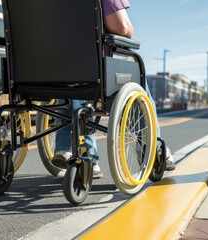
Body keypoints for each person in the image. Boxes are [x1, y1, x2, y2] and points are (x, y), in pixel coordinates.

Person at [52, 0, 175, 179]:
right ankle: (153, 148)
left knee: (71, 75)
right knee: (136, 74)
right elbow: (123, 28)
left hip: (45, 72)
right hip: (94, 71)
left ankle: (69, 148)